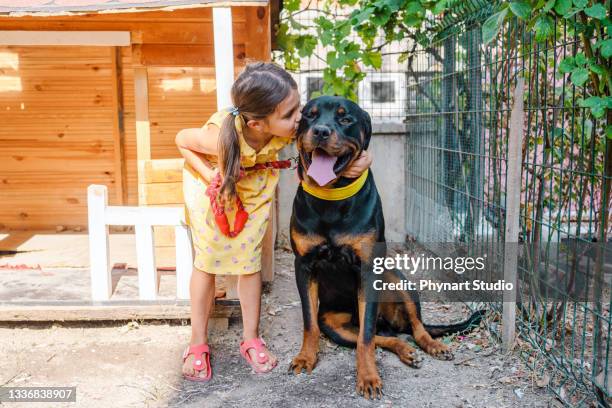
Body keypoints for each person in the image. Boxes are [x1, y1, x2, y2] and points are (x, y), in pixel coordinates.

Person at [175, 61, 373, 380]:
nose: (300, 119)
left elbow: (332, 145)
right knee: (208, 263)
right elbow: (182, 140)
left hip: (251, 195)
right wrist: (213, 174)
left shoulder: (283, 129)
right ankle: (197, 342)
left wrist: (365, 157)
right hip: (212, 192)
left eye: (299, 108)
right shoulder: (219, 137)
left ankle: (251, 338)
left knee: (249, 261)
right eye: (291, 114)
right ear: (257, 124)